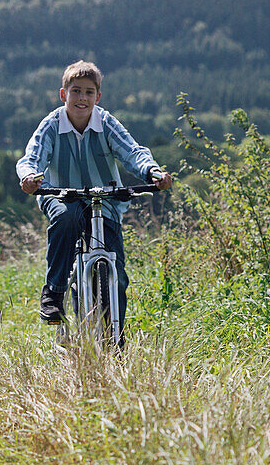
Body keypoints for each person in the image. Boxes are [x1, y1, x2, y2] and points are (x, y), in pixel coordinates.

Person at [16, 60, 172, 331]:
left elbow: (132, 151)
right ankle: (54, 291)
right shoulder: (52, 125)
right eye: (76, 91)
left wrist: (153, 173)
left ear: (97, 97)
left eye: (89, 92)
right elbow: (33, 157)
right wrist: (29, 177)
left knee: (117, 275)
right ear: (63, 94)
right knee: (68, 217)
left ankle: (116, 340)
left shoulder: (107, 123)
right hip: (60, 196)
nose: (82, 98)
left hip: (105, 201)